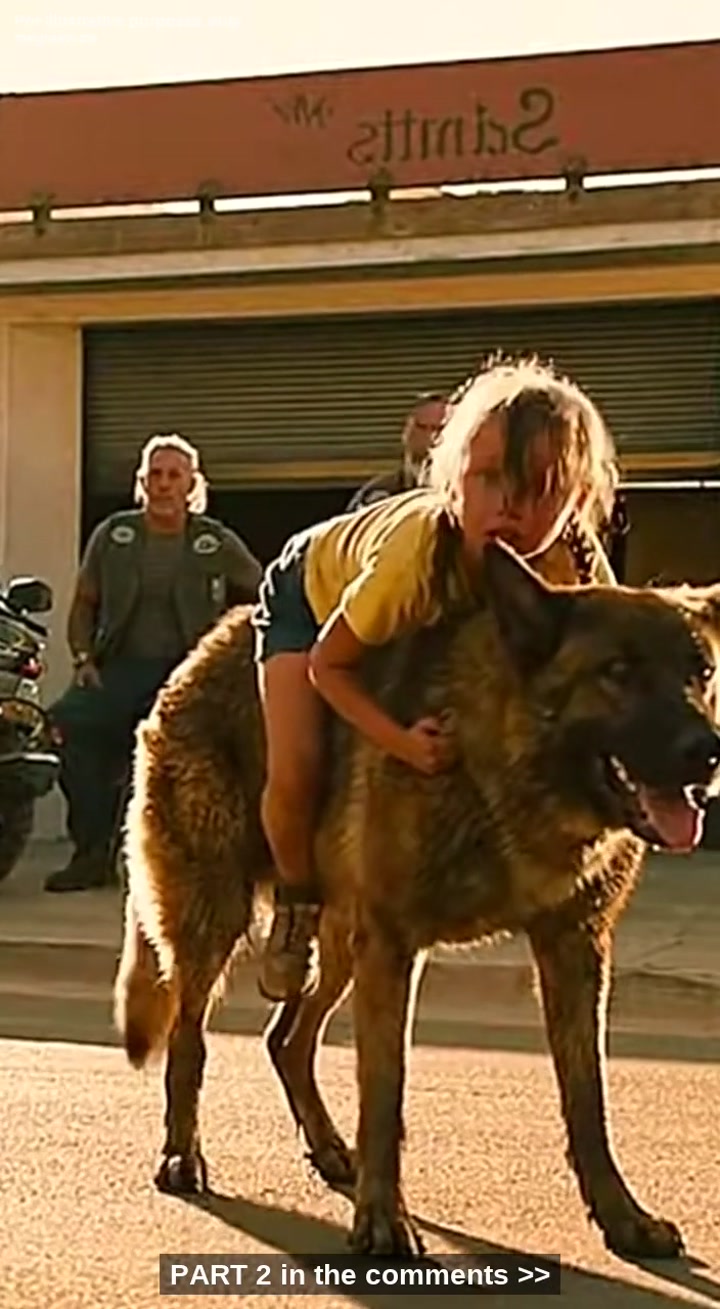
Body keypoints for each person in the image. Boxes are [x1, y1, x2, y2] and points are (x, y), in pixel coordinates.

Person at [251, 358, 617, 1002]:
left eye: (538, 486)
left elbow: (613, 652)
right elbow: (327, 666)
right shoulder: (416, 559)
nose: (508, 506)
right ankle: (296, 905)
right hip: (311, 593)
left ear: (578, 501)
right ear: (453, 478)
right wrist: (401, 742)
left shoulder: (577, 561)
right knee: (297, 767)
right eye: (487, 479)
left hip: (433, 607)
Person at [45, 433, 263, 894]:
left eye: (174, 476)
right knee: (70, 723)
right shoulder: (113, 536)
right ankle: (91, 852)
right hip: (119, 667)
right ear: (142, 482)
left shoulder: (215, 541)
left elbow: (265, 593)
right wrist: (83, 658)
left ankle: (193, 864)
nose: (164, 484)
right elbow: (84, 603)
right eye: (155, 475)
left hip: (188, 674)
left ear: (191, 484)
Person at [346, 392, 449, 511]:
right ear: (406, 432)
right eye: (422, 427)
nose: (431, 437)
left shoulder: (463, 499)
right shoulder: (379, 495)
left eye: (440, 429)